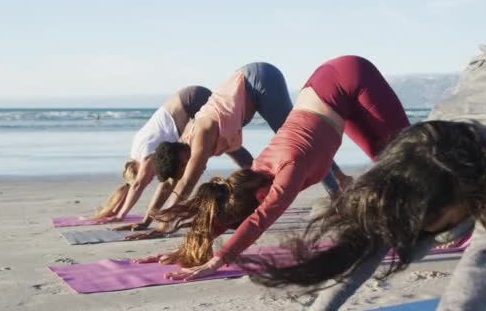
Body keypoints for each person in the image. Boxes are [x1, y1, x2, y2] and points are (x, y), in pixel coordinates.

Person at [241, 0, 486, 310]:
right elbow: (375, 237)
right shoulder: (427, 142)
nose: (428, 239)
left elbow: (484, 265)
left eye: (435, 226)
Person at [133, 55, 411, 278]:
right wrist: (185, 250)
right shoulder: (252, 173)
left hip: (347, 76)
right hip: (322, 92)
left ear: (256, 197)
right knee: (386, 157)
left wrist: (218, 261)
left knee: (409, 157)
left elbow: (260, 219)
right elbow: (224, 211)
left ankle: (450, 215)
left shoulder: (287, 171)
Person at [124, 62, 351, 238]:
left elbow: (186, 183)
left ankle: (337, 193)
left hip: (260, 80)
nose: (188, 169)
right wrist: (148, 219)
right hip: (245, 92)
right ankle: (338, 180)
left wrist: (165, 225)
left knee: (301, 139)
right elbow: (171, 184)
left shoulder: (201, 134)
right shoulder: (185, 143)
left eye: (184, 167)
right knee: (248, 168)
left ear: (182, 157)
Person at [90, 85, 214, 228]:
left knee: (185, 172)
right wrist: (117, 210)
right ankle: (167, 219)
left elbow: (137, 186)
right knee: (180, 172)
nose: (151, 178)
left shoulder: (147, 157)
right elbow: (135, 186)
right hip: (188, 97)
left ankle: (167, 221)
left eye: (148, 179)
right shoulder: (136, 151)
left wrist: (120, 216)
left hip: (192, 100)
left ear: (137, 170)